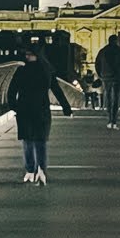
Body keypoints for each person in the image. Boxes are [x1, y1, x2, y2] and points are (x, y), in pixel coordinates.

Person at [7, 44, 73, 185]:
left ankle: (31, 170)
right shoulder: (47, 70)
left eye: (29, 54)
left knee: (29, 142)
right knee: (39, 141)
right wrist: (66, 107)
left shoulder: (21, 70)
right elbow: (57, 90)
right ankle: (40, 170)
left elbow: (12, 90)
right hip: (41, 109)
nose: (27, 57)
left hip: (25, 109)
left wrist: (13, 106)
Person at [94, 35, 120, 129]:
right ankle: (114, 120)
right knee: (116, 99)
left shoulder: (103, 51)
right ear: (116, 41)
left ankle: (109, 119)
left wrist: (101, 75)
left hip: (106, 77)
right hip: (117, 77)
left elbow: (97, 64)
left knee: (108, 97)